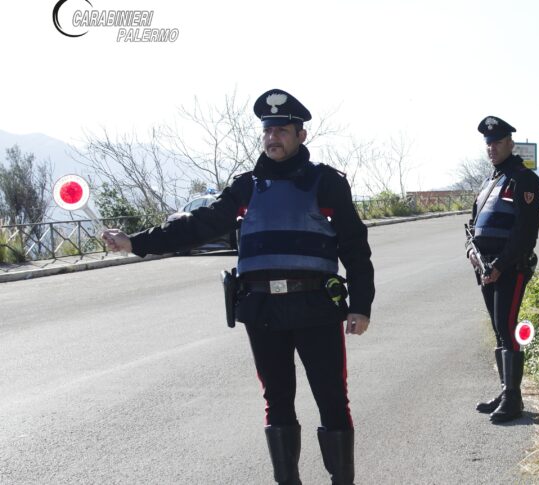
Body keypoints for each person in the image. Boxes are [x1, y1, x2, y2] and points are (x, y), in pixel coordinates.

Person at [101, 89, 374, 485]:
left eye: (282, 129)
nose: (272, 137)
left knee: (332, 399)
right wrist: (136, 242)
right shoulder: (246, 187)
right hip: (263, 312)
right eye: (267, 131)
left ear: (301, 135)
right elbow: (198, 225)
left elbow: (354, 246)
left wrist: (360, 305)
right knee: (277, 401)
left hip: (316, 308)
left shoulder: (327, 183)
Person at [464, 116, 539, 423]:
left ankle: (514, 399)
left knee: (507, 328)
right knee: (499, 330)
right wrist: (472, 253)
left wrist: (499, 265)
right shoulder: (489, 182)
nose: (492, 148)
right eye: (488, 143)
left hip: (510, 267)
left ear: (510, 143)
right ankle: (505, 389)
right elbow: (473, 226)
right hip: (485, 268)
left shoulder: (524, 180)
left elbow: (525, 233)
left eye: (497, 142)